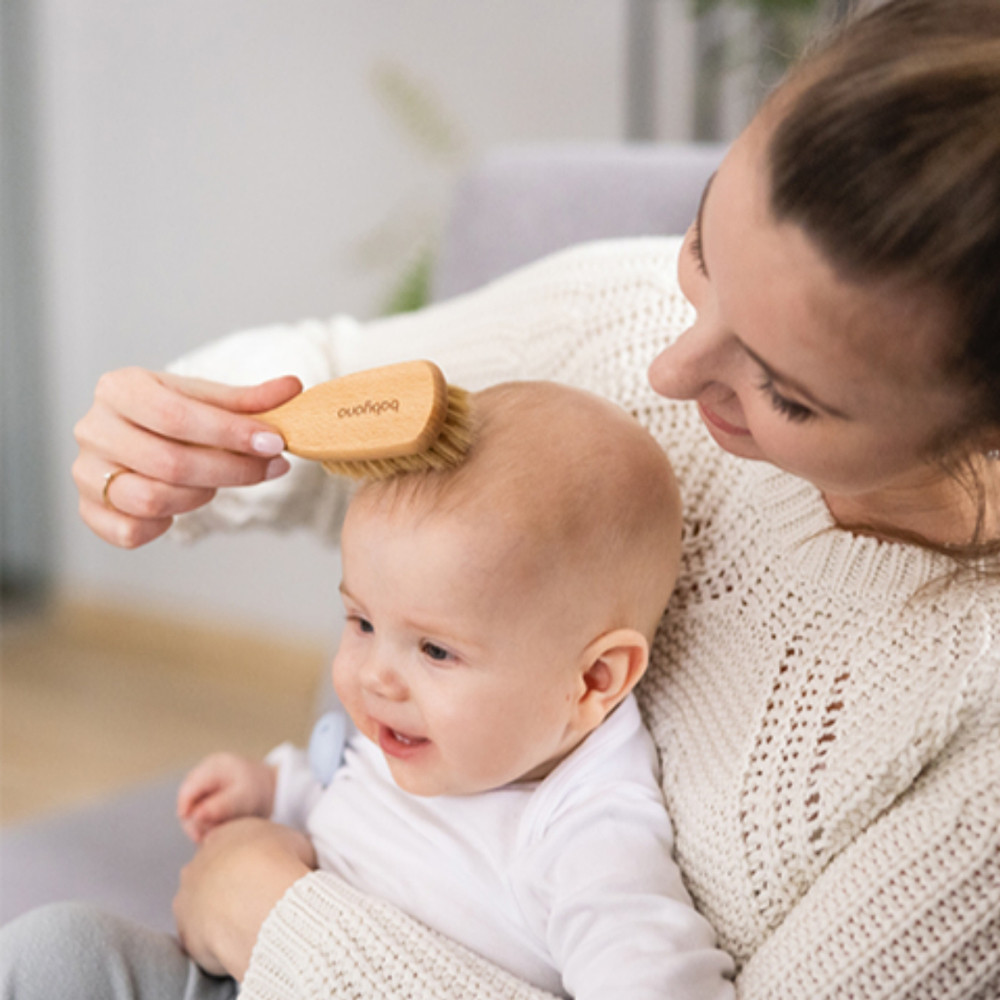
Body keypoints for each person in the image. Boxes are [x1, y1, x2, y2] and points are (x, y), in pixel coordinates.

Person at [11, 0, 1000, 997]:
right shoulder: (619, 321)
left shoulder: (604, 828)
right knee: (56, 952)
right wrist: (176, 439)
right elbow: (330, 378)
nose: (667, 368)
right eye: (703, 249)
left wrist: (277, 919)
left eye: (783, 390)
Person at [171, 380, 735, 1000]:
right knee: (87, 949)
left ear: (593, 681)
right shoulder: (436, 742)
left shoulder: (588, 845)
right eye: (362, 623)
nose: (375, 676)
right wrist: (276, 788)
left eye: (436, 651)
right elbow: (356, 803)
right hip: (248, 971)